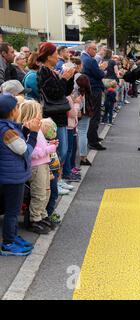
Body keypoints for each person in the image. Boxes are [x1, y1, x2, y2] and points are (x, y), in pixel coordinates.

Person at [0, 94, 38, 256]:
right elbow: (24, 150)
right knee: (12, 212)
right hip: (12, 178)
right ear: (11, 111)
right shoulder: (7, 131)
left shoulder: (7, 127)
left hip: (10, 176)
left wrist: (25, 129)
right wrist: (34, 134)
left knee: (13, 211)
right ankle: (8, 244)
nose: (18, 110)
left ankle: (12, 236)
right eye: (16, 107)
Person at [37, 42, 76, 195]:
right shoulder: (43, 72)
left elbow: (65, 91)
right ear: (48, 56)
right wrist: (64, 79)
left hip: (59, 114)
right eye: (55, 54)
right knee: (58, 151)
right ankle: (54, 181)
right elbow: (53, 92)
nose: (57, 57)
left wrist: (69, 78)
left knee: (63, 151)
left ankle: (58, 180)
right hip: (52, 115)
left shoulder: (52, 71)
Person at [17, 100, 58, 234]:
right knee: (39, 193)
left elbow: (39, 145)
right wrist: (48, 149)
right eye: (38, 112)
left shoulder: (37, 129)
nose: (41, 115)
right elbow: (31, 152)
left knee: (46, 191)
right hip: (36, 167)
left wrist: (48, 144)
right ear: (31, 114)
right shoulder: (27, 130)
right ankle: (35, 219)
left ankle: (42, 215)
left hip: (43, 164)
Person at [81, 41, 107, 151]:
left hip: (90, 89)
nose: (96, 51)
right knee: (95, 115)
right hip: (94, 89)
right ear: (88, 49)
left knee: (93, 114)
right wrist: (102, 69)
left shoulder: (84, 58)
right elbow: (99, 74)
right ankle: (93, 141)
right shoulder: (90, 60)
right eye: (94, 49)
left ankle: (93, 137)